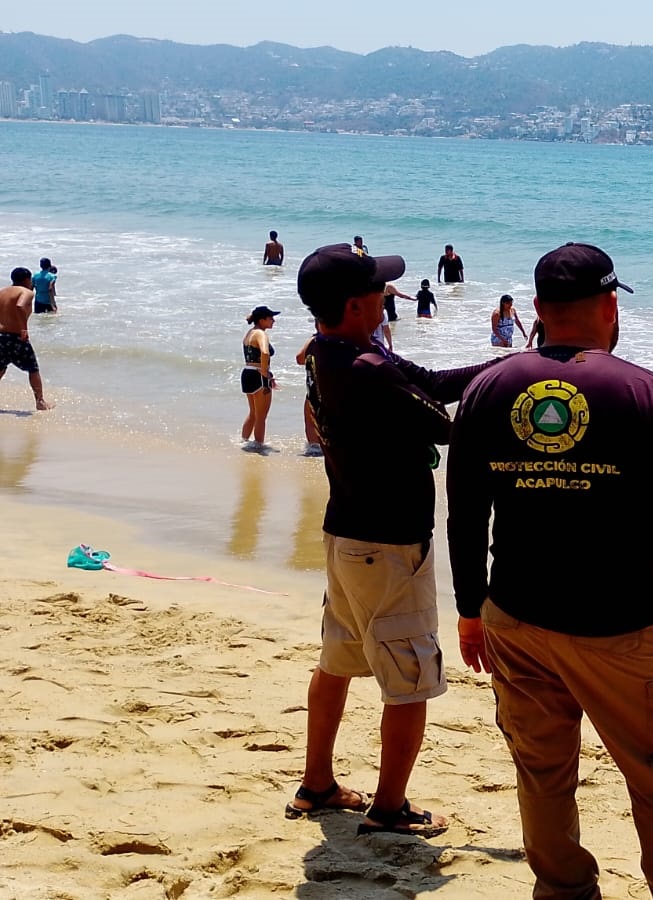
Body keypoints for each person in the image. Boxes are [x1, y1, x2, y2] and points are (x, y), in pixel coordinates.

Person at [448, 242, 653, 900]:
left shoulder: (488, 389)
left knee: (542, 775)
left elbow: (465, 513)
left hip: (516, 617)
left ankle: (563, 891)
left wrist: (468, 608)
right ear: (609, 305)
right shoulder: (643, 391)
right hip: (619, 629)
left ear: (538, 308)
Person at [285, 243, 499, 837]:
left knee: (337, 661)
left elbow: (428, 382)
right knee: (409, 679)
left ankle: (317, 784)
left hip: (345, 534)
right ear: (357, 305)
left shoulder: (327, 352)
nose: (387, 293)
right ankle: (389, 807)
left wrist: (504, 367)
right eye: (379, 287)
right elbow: (445, 425)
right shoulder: (368, 368)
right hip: (390, 545)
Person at [0, 267, 54, 410]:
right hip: (16, 337)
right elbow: (20, 306)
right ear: (26, 280)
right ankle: (40, 402)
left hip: (1, 337)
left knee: (1, 368)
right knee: (33, 369)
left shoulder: (2, 292)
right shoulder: (26, 292)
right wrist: (23, 328)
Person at [240, 305, 279, 451]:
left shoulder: (250, 333)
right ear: (262, 320)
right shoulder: (261, 334)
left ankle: (243, 442)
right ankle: (258, 447)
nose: (273, 320)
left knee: (253, 413)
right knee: (261, 417)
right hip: (258, 375)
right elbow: (265, 352)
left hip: (247, 373)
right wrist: (265, 373)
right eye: (271, 318)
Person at [295, 329, 323, 457]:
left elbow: (299, 359)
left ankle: (314, 450)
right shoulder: (343, 338)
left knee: (310, 420)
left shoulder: (315, 340)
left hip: (314, 387)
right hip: (334, 388)